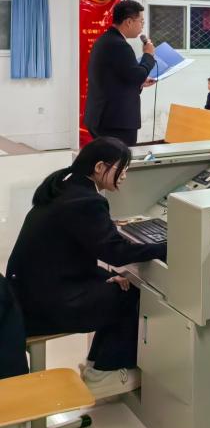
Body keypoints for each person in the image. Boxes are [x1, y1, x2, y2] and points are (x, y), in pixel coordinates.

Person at [7, 138, 166, 397]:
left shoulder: (65, 186)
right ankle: (105, 373)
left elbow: (71, 251)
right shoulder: (86, 201)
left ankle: (95, 366)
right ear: (100, 167)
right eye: (121, 169)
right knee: (130, 295)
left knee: (118, 283)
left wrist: (105, 275)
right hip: (44, 306)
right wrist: (166, 246)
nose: (125, 176)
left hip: (28, 294)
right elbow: (115, 253)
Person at [83, 0, 156, 146]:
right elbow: (137, 75)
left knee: (106, 157)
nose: (142, 26)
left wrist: (140, 83)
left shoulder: (106, 40)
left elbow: (120, 77)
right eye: (141, 21)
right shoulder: (119, 45)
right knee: (118, 159)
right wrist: (148, 55)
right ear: (129, 22)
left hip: (103, 117)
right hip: (115, 122)